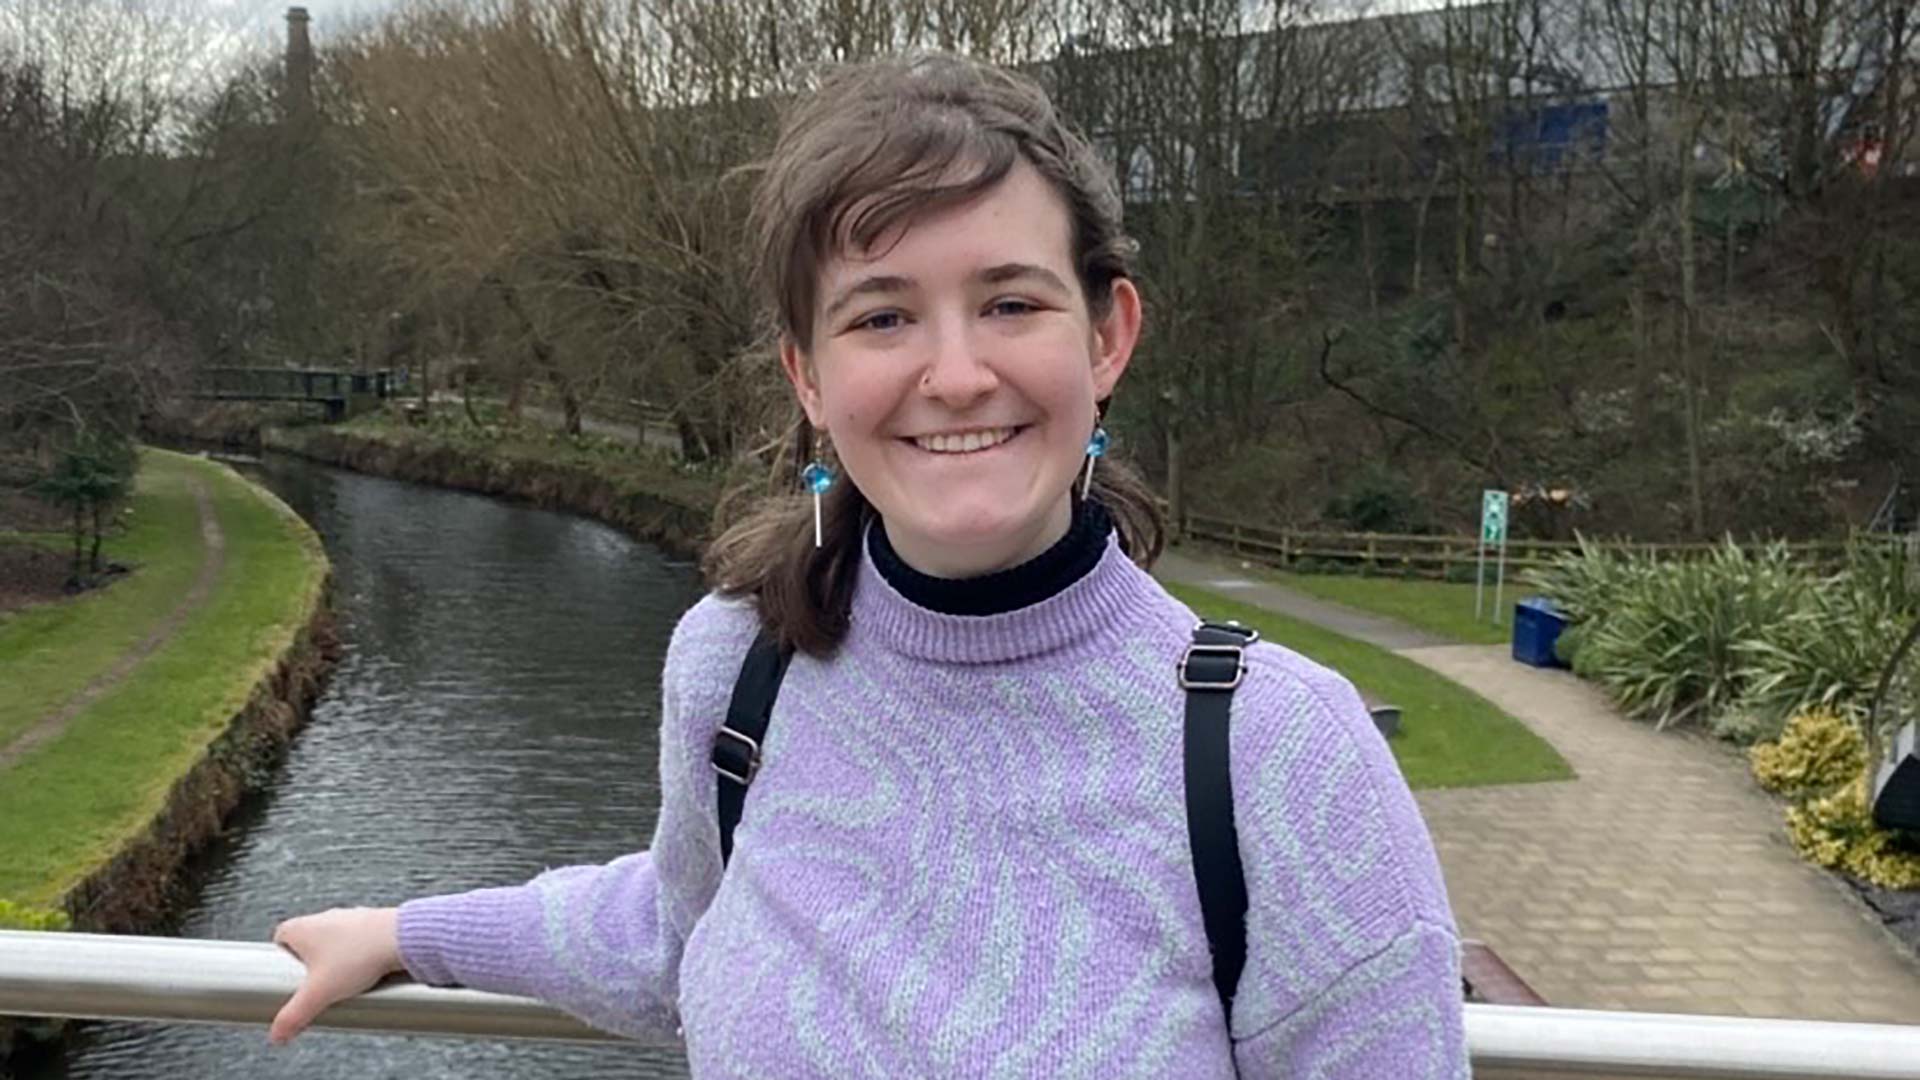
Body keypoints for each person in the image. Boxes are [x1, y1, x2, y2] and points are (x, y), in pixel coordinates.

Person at [269, 53, 1470, 1078]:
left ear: (1108, 337)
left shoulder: (1280, 756)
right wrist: (409, 932)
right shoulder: (737, 669)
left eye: (1010, 303)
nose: (955, 375)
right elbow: (677, 931)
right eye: (882, 317)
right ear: (809, 375)